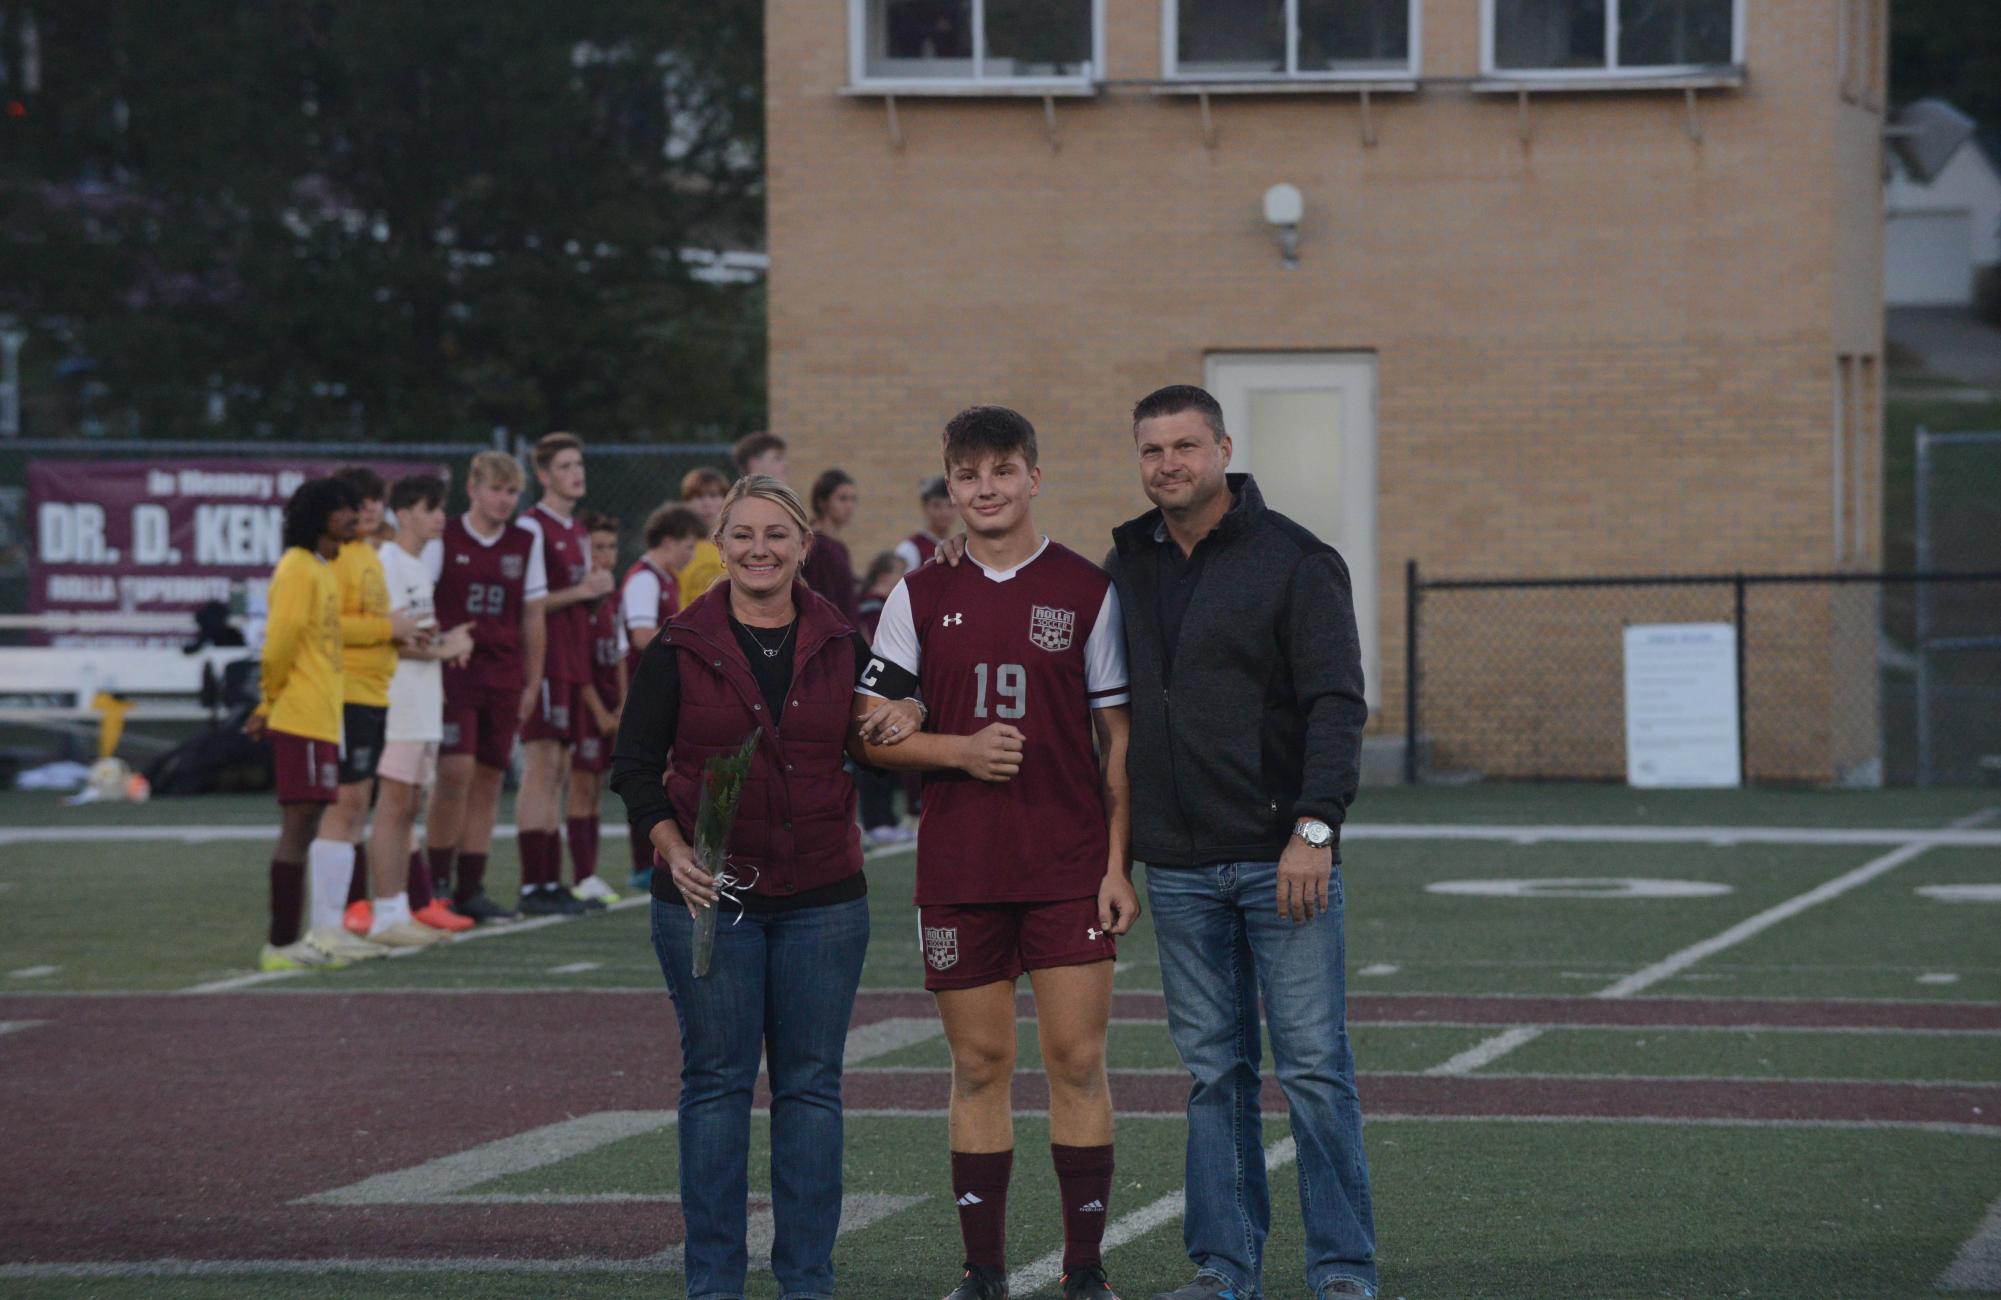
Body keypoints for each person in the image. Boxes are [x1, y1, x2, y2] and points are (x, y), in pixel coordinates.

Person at [610, 475, 920, 1300]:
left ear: (803, 547)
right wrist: (672, 849)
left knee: (810, 1089)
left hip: (823, 897)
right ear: (719, 542)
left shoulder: (842, 639)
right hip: (711, 900)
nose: (758, 549)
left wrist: (909, 713)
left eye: (775, 535)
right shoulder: (679, 644)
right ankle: (713, 1285)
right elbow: (635, 768)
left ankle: (806, 1283)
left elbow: (895, 714)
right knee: (716, 1086)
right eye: (742, 534)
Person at [855, 406, 1135, 1300]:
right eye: (968, 475)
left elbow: (1116, 738)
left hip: (1066, 866)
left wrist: (1115, 862)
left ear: (1033, 477)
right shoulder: (916, 593)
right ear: (950, 484)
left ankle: (1083, 1269)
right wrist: (954, 749)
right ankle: (982, 1271)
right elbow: (869, 733)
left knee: (1076, 1060)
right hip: (960, 869)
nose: (985, 489)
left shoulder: (1088, 589)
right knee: (977, 1066)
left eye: (1002, 471)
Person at [1114, 385, 1376, 1300]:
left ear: (1222, 446)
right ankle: (1223, 1268)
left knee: (1311, 1070)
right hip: (1180, 868)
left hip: (1282, 862)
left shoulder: (1297, 560)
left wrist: (1315, 829)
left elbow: (1337, 704)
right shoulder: (1126, 562)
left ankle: (1342, 1269)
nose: (1168, 465)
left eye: (1185, 446)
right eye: (1152, 450)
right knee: (1213, 1076)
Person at [249, 476, 388, 969]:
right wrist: (269, 702)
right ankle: (281, 944)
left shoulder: (323, 569)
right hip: (302, 716)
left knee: (308, 825)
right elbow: (279, 644)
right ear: (318, 517)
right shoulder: (297, 569)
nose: (354, 516)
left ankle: (300, 937)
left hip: (323, 717)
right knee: (298, 824)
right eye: (342, 509)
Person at [424, 449, 548, 925]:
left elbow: (532, 615)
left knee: (490, 778)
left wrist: (532, 681)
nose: (503, 500)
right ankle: (436, 883)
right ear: (473, 488)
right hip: (454, 670)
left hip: (503, 673)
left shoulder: (523, 541)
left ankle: (471, 885)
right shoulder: (445, 535)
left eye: (512, 491)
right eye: (495, 489)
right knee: (454, 772)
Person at [368, 473, 476, 940]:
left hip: (422, 701)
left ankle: (402, 908)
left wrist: (444, 644)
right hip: (398, 702)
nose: (439, 518)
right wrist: (444, 649)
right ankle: (387, 912)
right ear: (405, 513)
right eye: (431, 509)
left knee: (409, 805)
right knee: (394, 806)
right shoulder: (388, 562)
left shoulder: (413, 565)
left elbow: (417, 637)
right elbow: (392, 638)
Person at [513, 432, 613, 917]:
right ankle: (534, 883)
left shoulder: (573, 529)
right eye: (566, 466)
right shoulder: (532, 527)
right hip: (546, 659)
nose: (577, 474)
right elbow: (526, 601)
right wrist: (580, 591)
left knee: (558, 771)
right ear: (544, 475)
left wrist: (593, 592)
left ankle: (552, 879)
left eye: (580, 464)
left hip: (571, 660)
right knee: (540, 768)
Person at [321, 466, 420, 940]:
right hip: (345, 692)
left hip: (374, 692)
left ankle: (362, 916)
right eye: (362, 502)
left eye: (377, 500)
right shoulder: (336, 558)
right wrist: (390, 630)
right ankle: (329, 922)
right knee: (344, 805)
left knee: (359, 804)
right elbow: (331, 625)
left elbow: (385, 619)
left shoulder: (371, 555)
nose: (373, 509)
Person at [619, 503, 704, 889]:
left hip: (656, 689)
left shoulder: (665, 578)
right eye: (687, 545)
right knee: (646, 771)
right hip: (641, 690)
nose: (690, 555)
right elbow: (640, 636)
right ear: (667, 541)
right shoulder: (645, 579)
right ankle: (643, 861)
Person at [565, 511, 627, 904]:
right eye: (596, 547)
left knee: (595, 791)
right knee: (581, 785)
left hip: (609, 702)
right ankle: (581, 874)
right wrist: (599, 709)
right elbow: (577, 660)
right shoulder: (583, 598)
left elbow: (618, 652)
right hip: (584, 706)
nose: (604, 556)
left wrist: (622, 702)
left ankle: (591, 872)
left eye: (610, 547)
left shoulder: (612, 595)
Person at [854, 550, 913, 846]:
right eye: (899, 573)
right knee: (873, 749)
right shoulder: (872, 606)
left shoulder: (885, 605)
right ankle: (875, 820)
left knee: (890, 750)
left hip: (892, 687)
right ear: (884, 575)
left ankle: (886, 818)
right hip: (874, 686)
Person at [803, 468, 861, 626]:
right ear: (822, 502)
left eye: (853, 499)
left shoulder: (838, 546)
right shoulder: (816, 545)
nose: (849, 506)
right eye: (842, 499)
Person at [675, 466, 731, 604]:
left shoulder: (733, 544)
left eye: (713, 495)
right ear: (686, 503)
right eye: (699, 497)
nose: (707, 503)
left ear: (726, 500)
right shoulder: (675, 547)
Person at [893, 474, 955, 574]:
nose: (944, 512)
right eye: (936, 506)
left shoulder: (958, 546)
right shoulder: (910, 549)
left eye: (950, 505)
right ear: (925, 507)